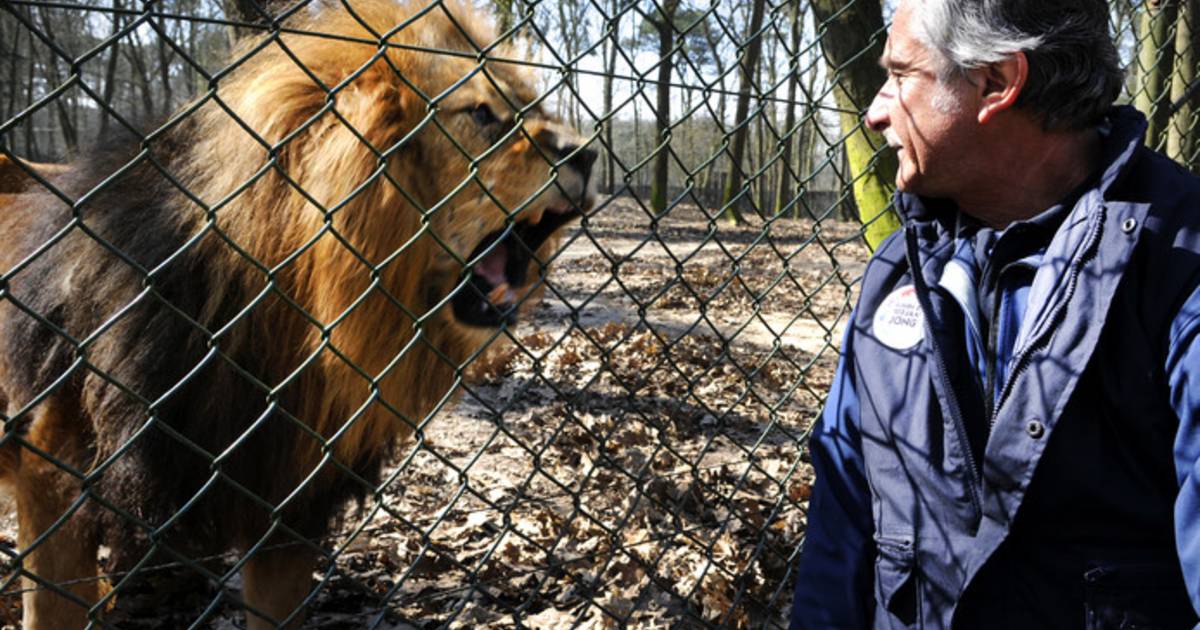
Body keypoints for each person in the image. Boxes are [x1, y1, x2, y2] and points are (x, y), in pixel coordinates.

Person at [790, 0, 1200, 627]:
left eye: (901, 75)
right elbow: (838, 533)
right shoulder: (896, 272)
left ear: (997, 83)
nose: (874, 112)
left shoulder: (1179, 264)